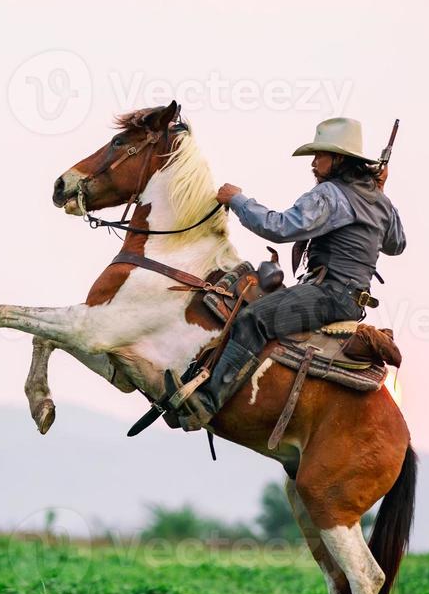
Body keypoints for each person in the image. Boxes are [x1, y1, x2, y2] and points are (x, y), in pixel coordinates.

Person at [165, 117, 406, 431]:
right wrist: (381, 194)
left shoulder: (330, 195)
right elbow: (397, 243)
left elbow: (279, 228)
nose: (313, 162)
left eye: (321, 155)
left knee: (254, 319)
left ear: (340, 160)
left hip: (329, 296)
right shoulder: (380, 202)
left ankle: (206, 404)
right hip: (349, 300)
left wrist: (237, 200)